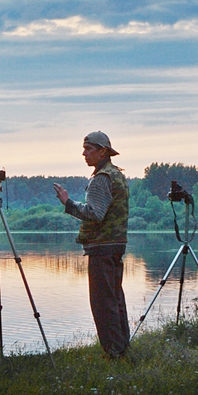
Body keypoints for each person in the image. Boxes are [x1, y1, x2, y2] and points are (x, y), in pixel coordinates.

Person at [53, 131, 130, 359]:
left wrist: (68, 202)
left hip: (102, 248)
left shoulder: (101, 179)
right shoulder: (117, 175)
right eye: (84, 148)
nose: (84, 153)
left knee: (103, 303)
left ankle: (113, 353)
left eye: (89, 149)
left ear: (102, 151)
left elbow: (94, 214)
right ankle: (122, 348)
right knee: (115, 299)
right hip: (115, 246)